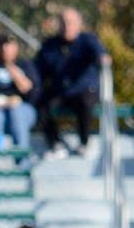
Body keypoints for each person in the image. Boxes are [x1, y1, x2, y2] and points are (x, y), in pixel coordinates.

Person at [36, 8, 107, 158]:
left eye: (71, 22)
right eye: (64, 22)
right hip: (61, 91)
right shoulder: (50, 45)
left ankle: (84, 143)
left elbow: (100, 54)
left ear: (79, 24)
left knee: (85, 102)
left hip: (83, 89)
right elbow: (38, 70)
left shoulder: (88, 39)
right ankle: (56, 143)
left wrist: (103, 59)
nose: (67, 26)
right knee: (40, 104)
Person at [0, 35, 39, 159]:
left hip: (21, 109)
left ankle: (21, 159)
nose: (5, 49)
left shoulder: (25, 65)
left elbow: (30, 90)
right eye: (3, 46)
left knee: (16, 112)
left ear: (16, 48)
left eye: (10, 46)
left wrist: (12, 69)